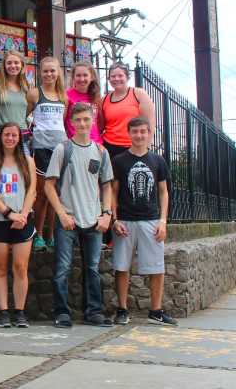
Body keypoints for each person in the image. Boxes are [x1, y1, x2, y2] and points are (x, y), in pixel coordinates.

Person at [45, 102, 113, 329]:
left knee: (92, 268)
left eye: (86, 119)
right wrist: (62, 214)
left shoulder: (101, 152)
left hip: (94, 219)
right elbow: (48, 185)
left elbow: (107, 186)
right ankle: (62, 312)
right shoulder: (62, 149)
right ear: (71, 123)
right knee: (62, 267)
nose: (82, 124)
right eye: (78, 120)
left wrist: (107, 214)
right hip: (69, 219)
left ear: (93, 120)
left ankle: (93, 312)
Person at [111, 116, 177, 326]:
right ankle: (122, 309)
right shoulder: (119, 161)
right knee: (122, 266)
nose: (139, 135)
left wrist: (162, 221)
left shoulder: (158, 160)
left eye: (143, 131)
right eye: (135, 131)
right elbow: (113, 191)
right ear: (128, 133)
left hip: (151, 221)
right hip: (125, 221)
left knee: (156, 267)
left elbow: (163, 192)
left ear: (149, 133)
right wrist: (114, 219)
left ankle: (156, 310)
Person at [0, 122, 37, 328]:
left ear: (19, 138)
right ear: (1, 137)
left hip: (22, 220)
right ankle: (4, 311)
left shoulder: (28, 162)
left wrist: (22, 215)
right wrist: (9, 214)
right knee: (1, 267)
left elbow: (32, 190)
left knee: (21, 268)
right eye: (7, 134)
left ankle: (20, 312)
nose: (10, 138)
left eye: (14, 135)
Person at [26, 56, 68, 251]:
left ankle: (51, 235)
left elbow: (64, 120)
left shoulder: (63, 95)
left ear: (58, 72)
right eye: (45, 71)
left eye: (53, 70)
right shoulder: (35, 94)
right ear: (40, 73)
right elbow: (25, 117)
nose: (49, 74)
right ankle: (38, 235)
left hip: (60, 148)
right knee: (42, 194)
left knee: (56, 194)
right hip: (42, 148)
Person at [98, 63, 156, 160]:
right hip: (109, 148)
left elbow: (150, 122)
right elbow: (100, 127)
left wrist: (146, 148)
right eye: (113, 76)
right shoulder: (104, 100)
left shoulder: (138, 94)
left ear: (127, 77)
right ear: (109, 79)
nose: (117, 79)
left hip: (133, 147)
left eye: (120, 75)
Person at [0, 50, 30, 154]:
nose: (13, 66)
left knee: (24, 168)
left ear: (22, 64)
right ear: (4, 65)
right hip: (2, 134)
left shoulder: (25, 86)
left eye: (16, 62)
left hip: (22, 135)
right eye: (9, 63)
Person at [65, 61, 102, 144]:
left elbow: (99, 123)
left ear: (92, 77)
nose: (82, 79)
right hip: (75, 144)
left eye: (85, 75)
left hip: (95, 144)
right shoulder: (66, 95)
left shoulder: (96, 97)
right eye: (78, 75)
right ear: (73, 78)